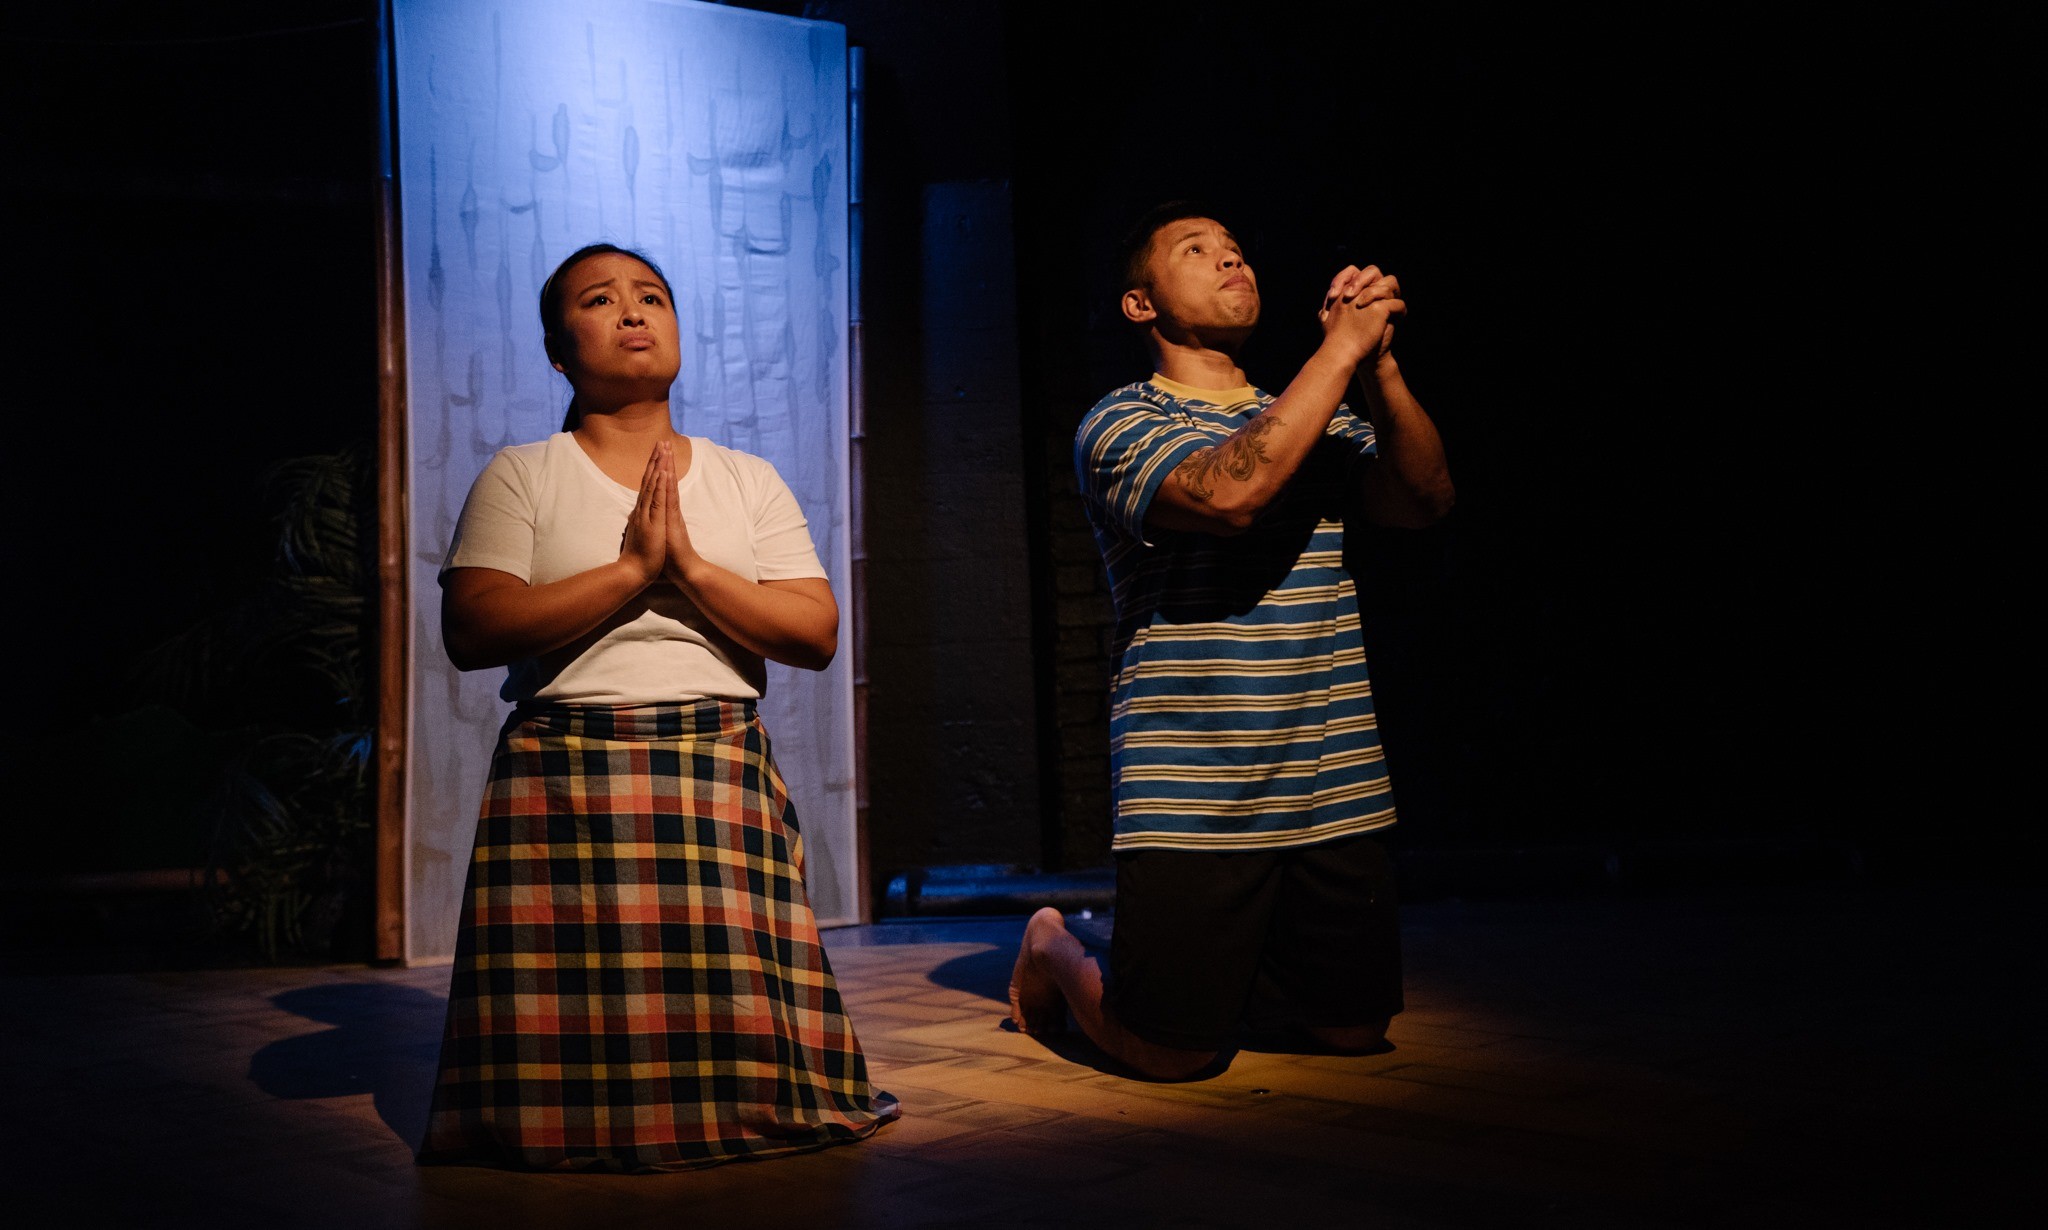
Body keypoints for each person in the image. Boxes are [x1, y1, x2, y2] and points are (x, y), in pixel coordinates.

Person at [418, 242, 898, 1171]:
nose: (635, 312)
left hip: (714, 753)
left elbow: (814, 630)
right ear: (560, 351)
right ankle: (560, 1130)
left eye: (653, 298)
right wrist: (634, 568)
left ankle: (750, 1113)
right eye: (601, 300)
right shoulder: (525, 473)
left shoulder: (744, 478)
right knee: (570, 984)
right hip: (565, 763)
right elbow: (475, 628)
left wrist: (689, 568)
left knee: (727, 981)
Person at [1009, 203, 1455, 1079]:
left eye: (1238, 250)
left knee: (1354, 1034)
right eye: (1197, 250)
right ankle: (1052, 945)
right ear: (1142, 306)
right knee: (1168, 1054)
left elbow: (1424, 499)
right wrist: (1337, 354)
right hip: (1195, 778)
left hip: (1332, 769)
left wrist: (1381, 365)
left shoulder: (1314, 410)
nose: (1231, 261)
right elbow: (1225, 496)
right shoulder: (1118, 420)